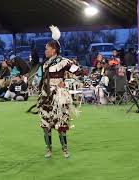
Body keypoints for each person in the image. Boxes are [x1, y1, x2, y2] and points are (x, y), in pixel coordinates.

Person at [31, 25, 80, 158]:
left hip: (59, 96)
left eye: (47, 49)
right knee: (46, 123)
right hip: (46, 95)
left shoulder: (63, 62)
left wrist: (67, 81)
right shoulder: (46, 63)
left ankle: (65, 149)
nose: (45, 51)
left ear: (54, 50)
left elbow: (78, 71)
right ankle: (48, 149)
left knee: (61, 122)